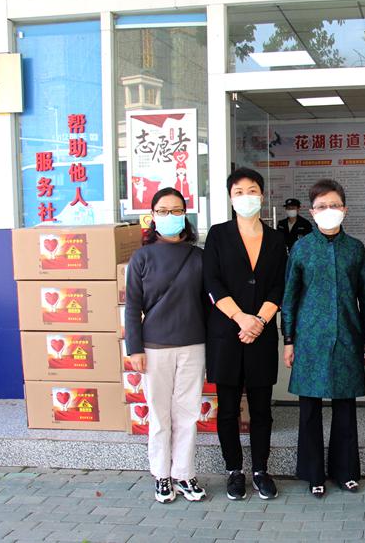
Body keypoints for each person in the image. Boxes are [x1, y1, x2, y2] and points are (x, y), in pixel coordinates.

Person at [281, 179, 365, 499]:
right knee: (310, 409)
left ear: (344, 209)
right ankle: (313, 474)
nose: (328, 210)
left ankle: (345, 472)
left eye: (334, 205)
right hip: (309, 339)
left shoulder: (355, 249)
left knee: (345, 407)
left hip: (347, 336)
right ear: (312, 211)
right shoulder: (302, 249)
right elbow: (289, 297)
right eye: (322, 206)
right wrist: (288, 339)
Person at [203, 167, 287, 501]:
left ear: (262, 196)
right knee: (227, 408)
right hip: (227, 333)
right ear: (230, 198)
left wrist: (260, 321)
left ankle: (261, 470)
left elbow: (280, 285)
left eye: (252, 191)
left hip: (261, 335)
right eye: (239, 192)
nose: (246, 197)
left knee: (261, 408)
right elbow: (211, 281)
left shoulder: (276, 239)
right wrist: (240, 318)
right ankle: (234, 470)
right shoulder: (218, 235)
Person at [124, 187, 207, 504]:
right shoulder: (141, 258)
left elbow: (209, 304)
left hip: (193, 345)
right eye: (163, 211)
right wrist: (134, 349)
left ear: (185, 215)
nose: (170, 216)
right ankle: (161, 475)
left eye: (176, 210)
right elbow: (132, 307)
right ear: (153, 216)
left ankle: (184, 474)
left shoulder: (198, 257)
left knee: (187, 414)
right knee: (159, 416)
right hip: (154, 347)